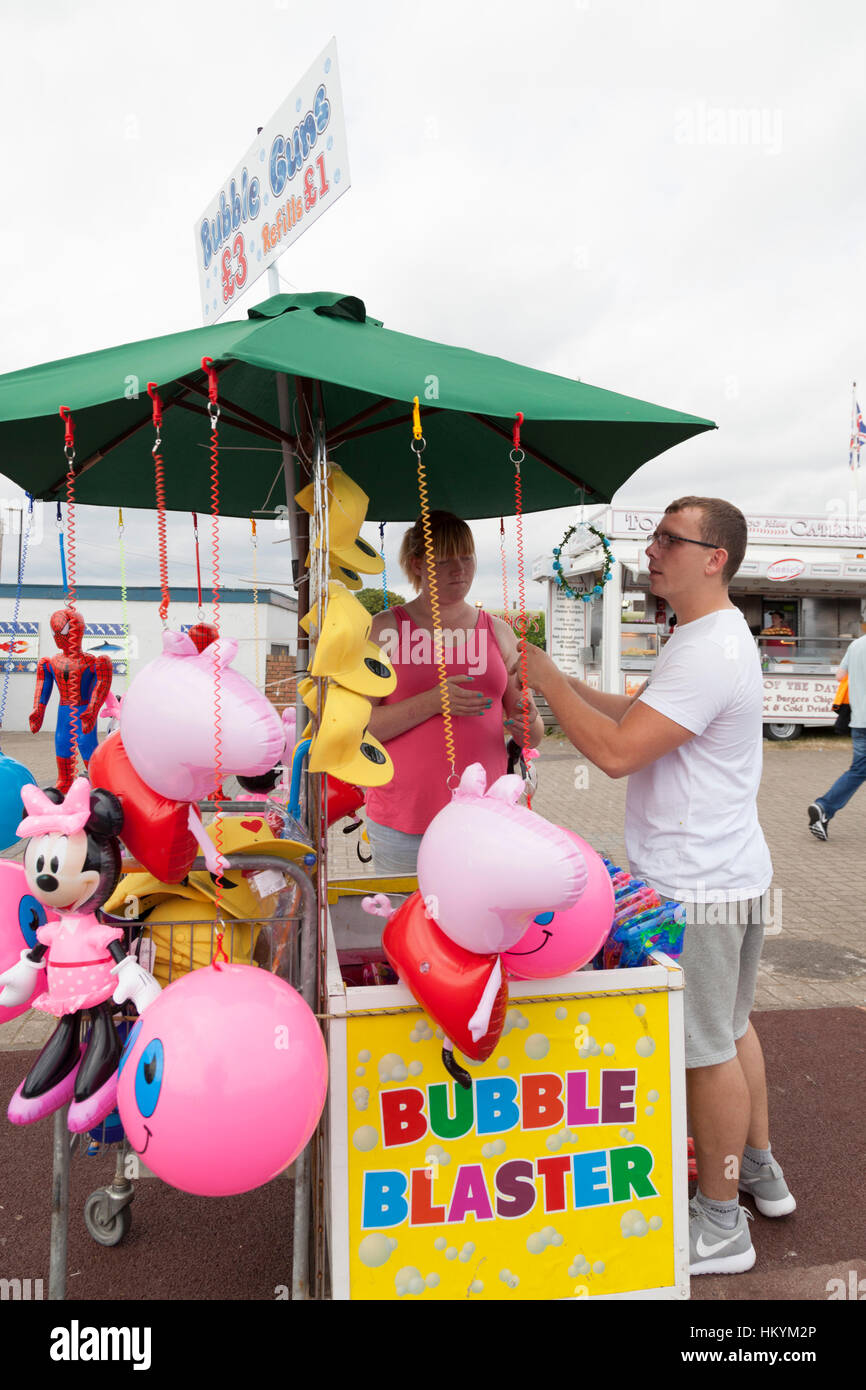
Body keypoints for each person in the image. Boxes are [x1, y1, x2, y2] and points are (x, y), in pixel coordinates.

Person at [520, 495, 794, 1277]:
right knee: (731, 1029)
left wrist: (544, 678)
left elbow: (615, 750)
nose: (653, 550)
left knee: (706, 1049)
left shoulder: (709, 648)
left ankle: (720, 1223)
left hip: (702, 884)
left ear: (716, 557)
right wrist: (562, 684)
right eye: (654, 536)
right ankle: (760, 1173)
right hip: (725, 873)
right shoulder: (703, 637)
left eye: (671, 539)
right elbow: (637, 711)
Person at [364, 511, 544, 874]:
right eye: (444, 561)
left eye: (466, 558)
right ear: (417, 564)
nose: (459, 570)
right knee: (405, 924)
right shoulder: (385, 629)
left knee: (480, 926)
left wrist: (529, 723)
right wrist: (432, 702)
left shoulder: (498, 631)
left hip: (486, 817)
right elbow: (357, 729)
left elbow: (530, 728)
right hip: (404, 819)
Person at [808, 628, 866, 840]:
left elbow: (840, 675)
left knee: (859, 769)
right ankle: (824, 806)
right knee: (859, 770)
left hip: (859, 720)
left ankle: (824, 808)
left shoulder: (856, 645)